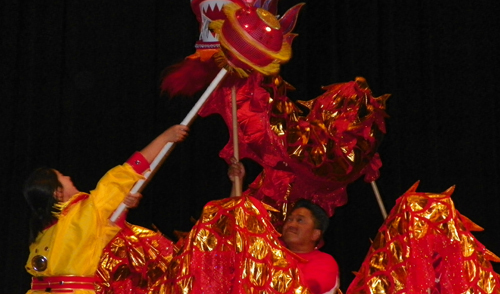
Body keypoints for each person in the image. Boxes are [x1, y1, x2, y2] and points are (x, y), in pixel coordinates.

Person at [23, 124, 189, 294]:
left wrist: (165, 138)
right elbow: (128, 171)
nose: (68, 177)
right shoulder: (44, 229)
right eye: (61, 176)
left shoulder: (90, 209)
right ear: (57, 193)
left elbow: (126, 174)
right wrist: (165, 137)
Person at [228, 160, 340, 294]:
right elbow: (236, 234)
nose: (292, 224)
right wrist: (237, 183)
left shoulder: (324, 262)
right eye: (290, 219)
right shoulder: (272, 254)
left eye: (300, 221)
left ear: (316, 234)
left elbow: (304, 288)